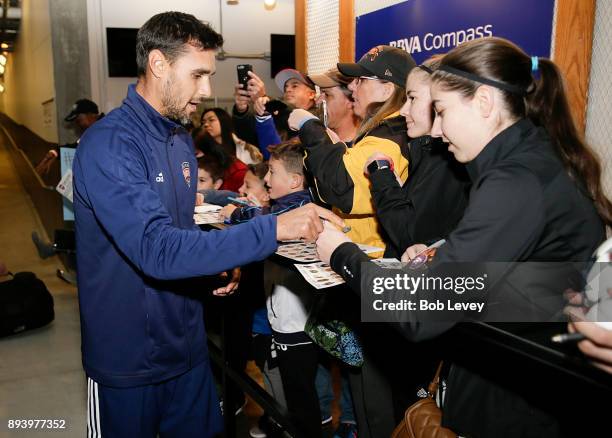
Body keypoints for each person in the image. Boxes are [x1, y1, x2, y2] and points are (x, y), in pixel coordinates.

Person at [316, 37, 611, 437]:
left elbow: (422, 312)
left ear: (485, 103)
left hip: (515, 404)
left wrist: (342, 254)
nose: (435, 131)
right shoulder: (531, 160)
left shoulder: (515, 180)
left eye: (441, 111)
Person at [72, 12, 342, 438]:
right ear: (158, 64)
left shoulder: (179, 139)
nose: (206, 89)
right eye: (197, 74)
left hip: (188, 350)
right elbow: (156, 250)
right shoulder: (109, 144)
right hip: (127, 362)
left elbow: (178, 233)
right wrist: (272, 229)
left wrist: (215, 266)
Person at [289, 45, 415, 249]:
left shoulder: (389, 138)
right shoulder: (382, 132)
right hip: (359, 252)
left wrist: (309, 127)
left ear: (387, 90)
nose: (353, 88)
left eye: (362, 80)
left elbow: (341, 187)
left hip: (372, 258)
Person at [363, 57, 470, 259]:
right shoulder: (429, 151)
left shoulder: (448, 163)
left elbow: (410, 236)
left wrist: (381, 174)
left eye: (412, 98)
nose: (403, 110)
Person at [233, 68, 315, 148]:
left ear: (311, 94)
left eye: (294, 86)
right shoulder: (275, 117)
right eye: (286, 87)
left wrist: (266, 102)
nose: (288, 90)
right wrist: (241, 112)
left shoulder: (318, 121)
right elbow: (248, 140)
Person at [35, 98, 103, 175]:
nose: (78, 125)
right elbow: (78, 146)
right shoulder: (91, 132)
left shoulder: (109, 131)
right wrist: (55, 152)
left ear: (91, 114)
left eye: (79, 120)